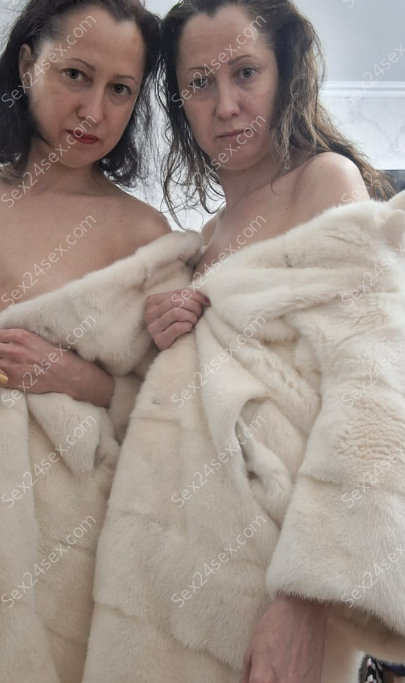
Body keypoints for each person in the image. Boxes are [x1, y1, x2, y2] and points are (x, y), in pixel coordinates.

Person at [142, 1, 397, 681]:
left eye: (246, 72)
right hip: (188, 581)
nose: (226, 105)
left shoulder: (325, 180)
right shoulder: (205, 238)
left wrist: (304, 595)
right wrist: (163, 339)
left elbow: (369, 389)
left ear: (284, 73)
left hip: (282, 585)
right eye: (199, 83)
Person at [0, 0, 170, 406]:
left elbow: (169, 407)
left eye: (119, 89)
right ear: (27, 66)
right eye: (76, 75)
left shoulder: (146, 237)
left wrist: (80, 380)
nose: (93, 113)